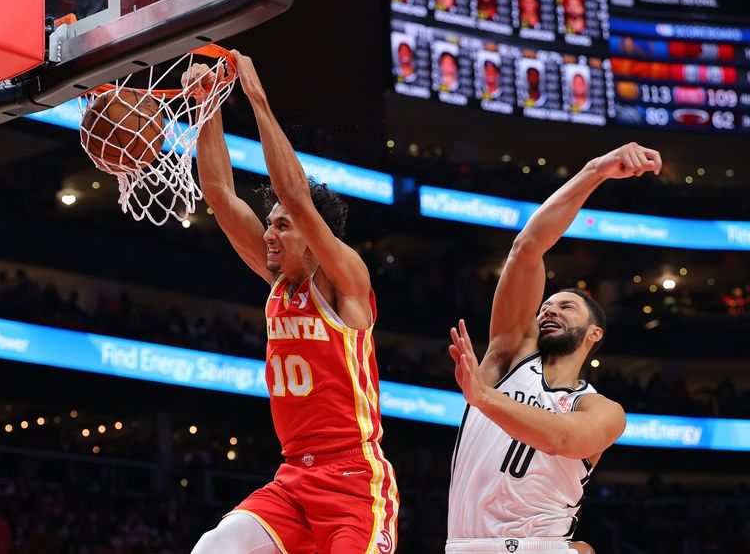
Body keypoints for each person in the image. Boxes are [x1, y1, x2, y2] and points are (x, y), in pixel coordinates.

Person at [183, 52, 399, 554]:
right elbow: (217, 191)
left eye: (282, 226)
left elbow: (297, 196)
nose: (270, 233)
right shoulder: (278, 281)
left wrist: (256, 99)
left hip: (353, 480)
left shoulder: (345, 283)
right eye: (270, 223)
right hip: (292, 480)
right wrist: (208, 105)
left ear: (313, 238)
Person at [445, 143, 663, 554]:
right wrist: (594, 170)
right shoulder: (508, 355)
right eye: (546, 305)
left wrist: (484, 399)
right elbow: (527, 248)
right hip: (465, 545)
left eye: (566, 306)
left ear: (594, 333)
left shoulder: (602, 410)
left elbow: (564, 439)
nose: (549, 308)